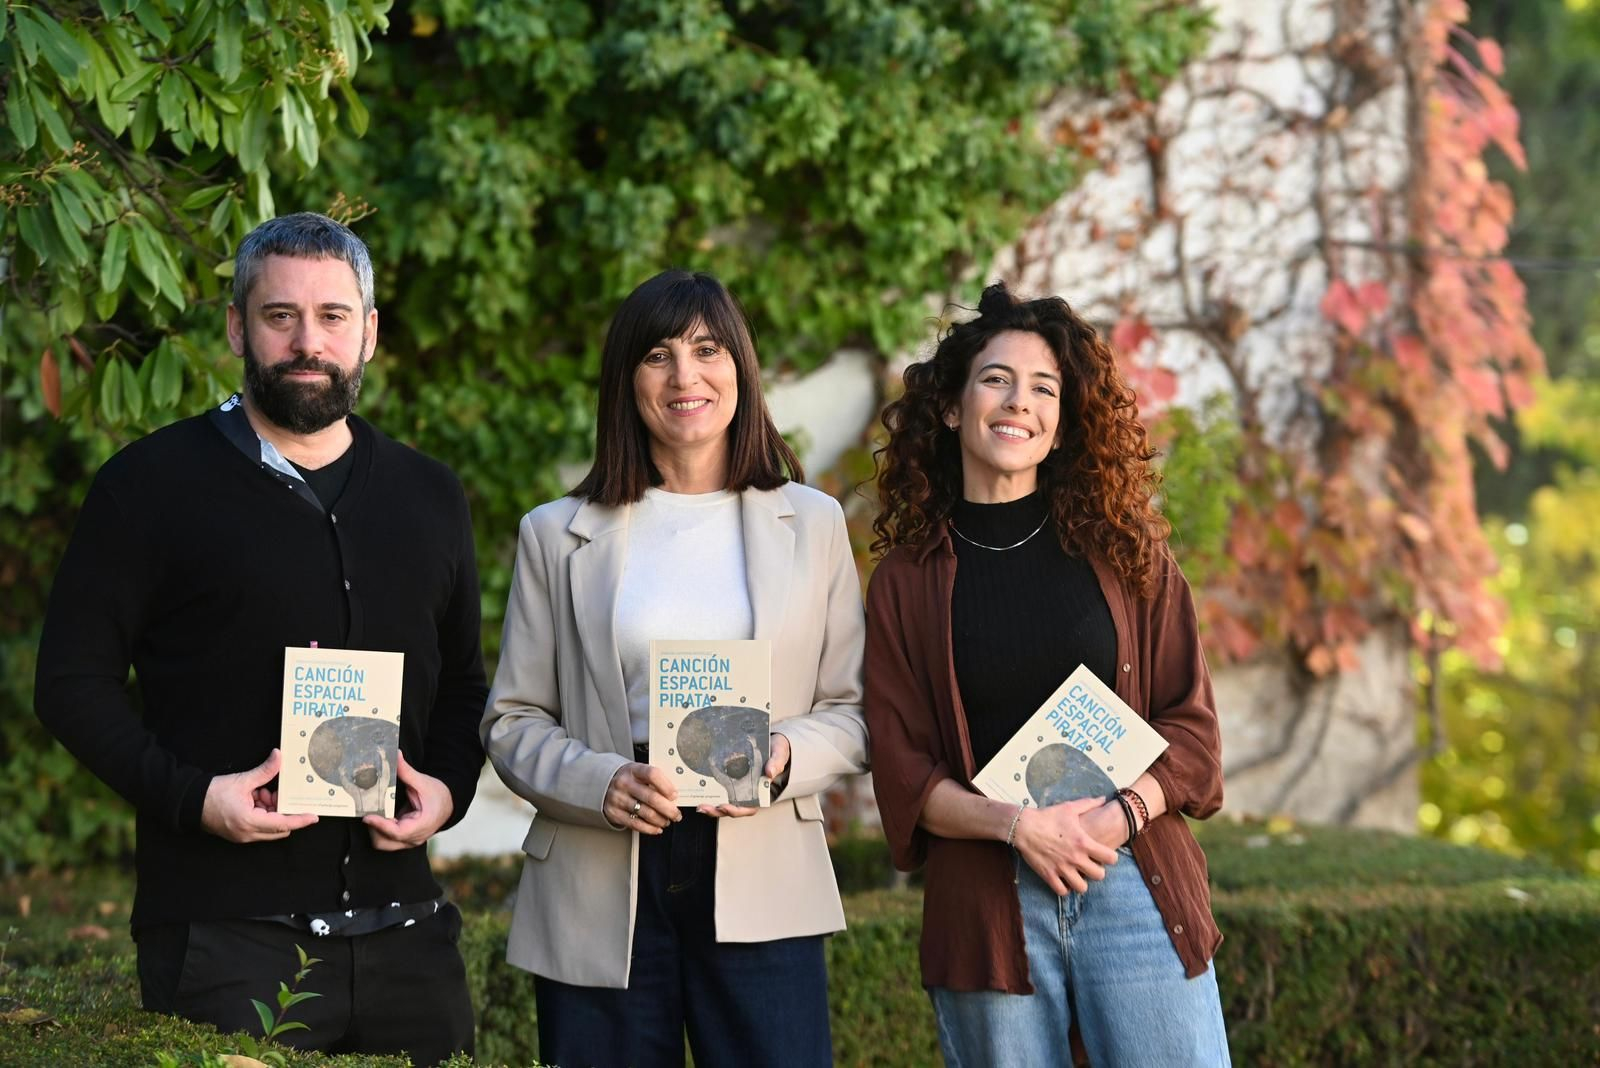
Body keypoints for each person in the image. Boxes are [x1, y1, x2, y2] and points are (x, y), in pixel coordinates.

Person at [34, 213, 486, 1066]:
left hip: (409, 943)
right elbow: (69, 685)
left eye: (332, 316)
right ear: (238, 327)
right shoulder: (148, 486)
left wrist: (449, 792)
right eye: (281, 316)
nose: (307, 342)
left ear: (369, 332)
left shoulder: (430, 496)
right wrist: (194, 798)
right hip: (224, 941)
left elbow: (465, 683)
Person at [482, 269, 868, 1068]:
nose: (685, 375)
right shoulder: (555, 532)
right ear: (627, 381)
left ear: (741, 368)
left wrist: (784, 755)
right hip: (602, 867)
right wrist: (600, 782)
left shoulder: (815, 522)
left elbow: (854, 709)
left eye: (707, 350)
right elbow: (512, 721)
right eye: (657, 355)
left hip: (762, 864)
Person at [863, 282, 1231, 1065]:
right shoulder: (905, 582)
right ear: (952, 408)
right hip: (988, 909)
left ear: (1063, 423)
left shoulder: (1127, 555)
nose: (1018, 402)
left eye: (1043, 388)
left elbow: (1194, 735)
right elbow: (901, 769)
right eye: (996, 379)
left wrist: (1118, 817)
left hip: (1131, 880)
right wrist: (1018, 827)